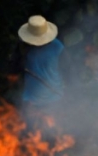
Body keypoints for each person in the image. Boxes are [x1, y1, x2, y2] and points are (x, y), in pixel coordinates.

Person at [9, 15, 73, 146]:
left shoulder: (57, 48)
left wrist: (70, 93)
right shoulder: (24, 48)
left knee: (51, 137)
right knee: (32, 137)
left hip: (52, 99)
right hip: (33, 100)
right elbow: (13, 70)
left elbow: (69, 72)